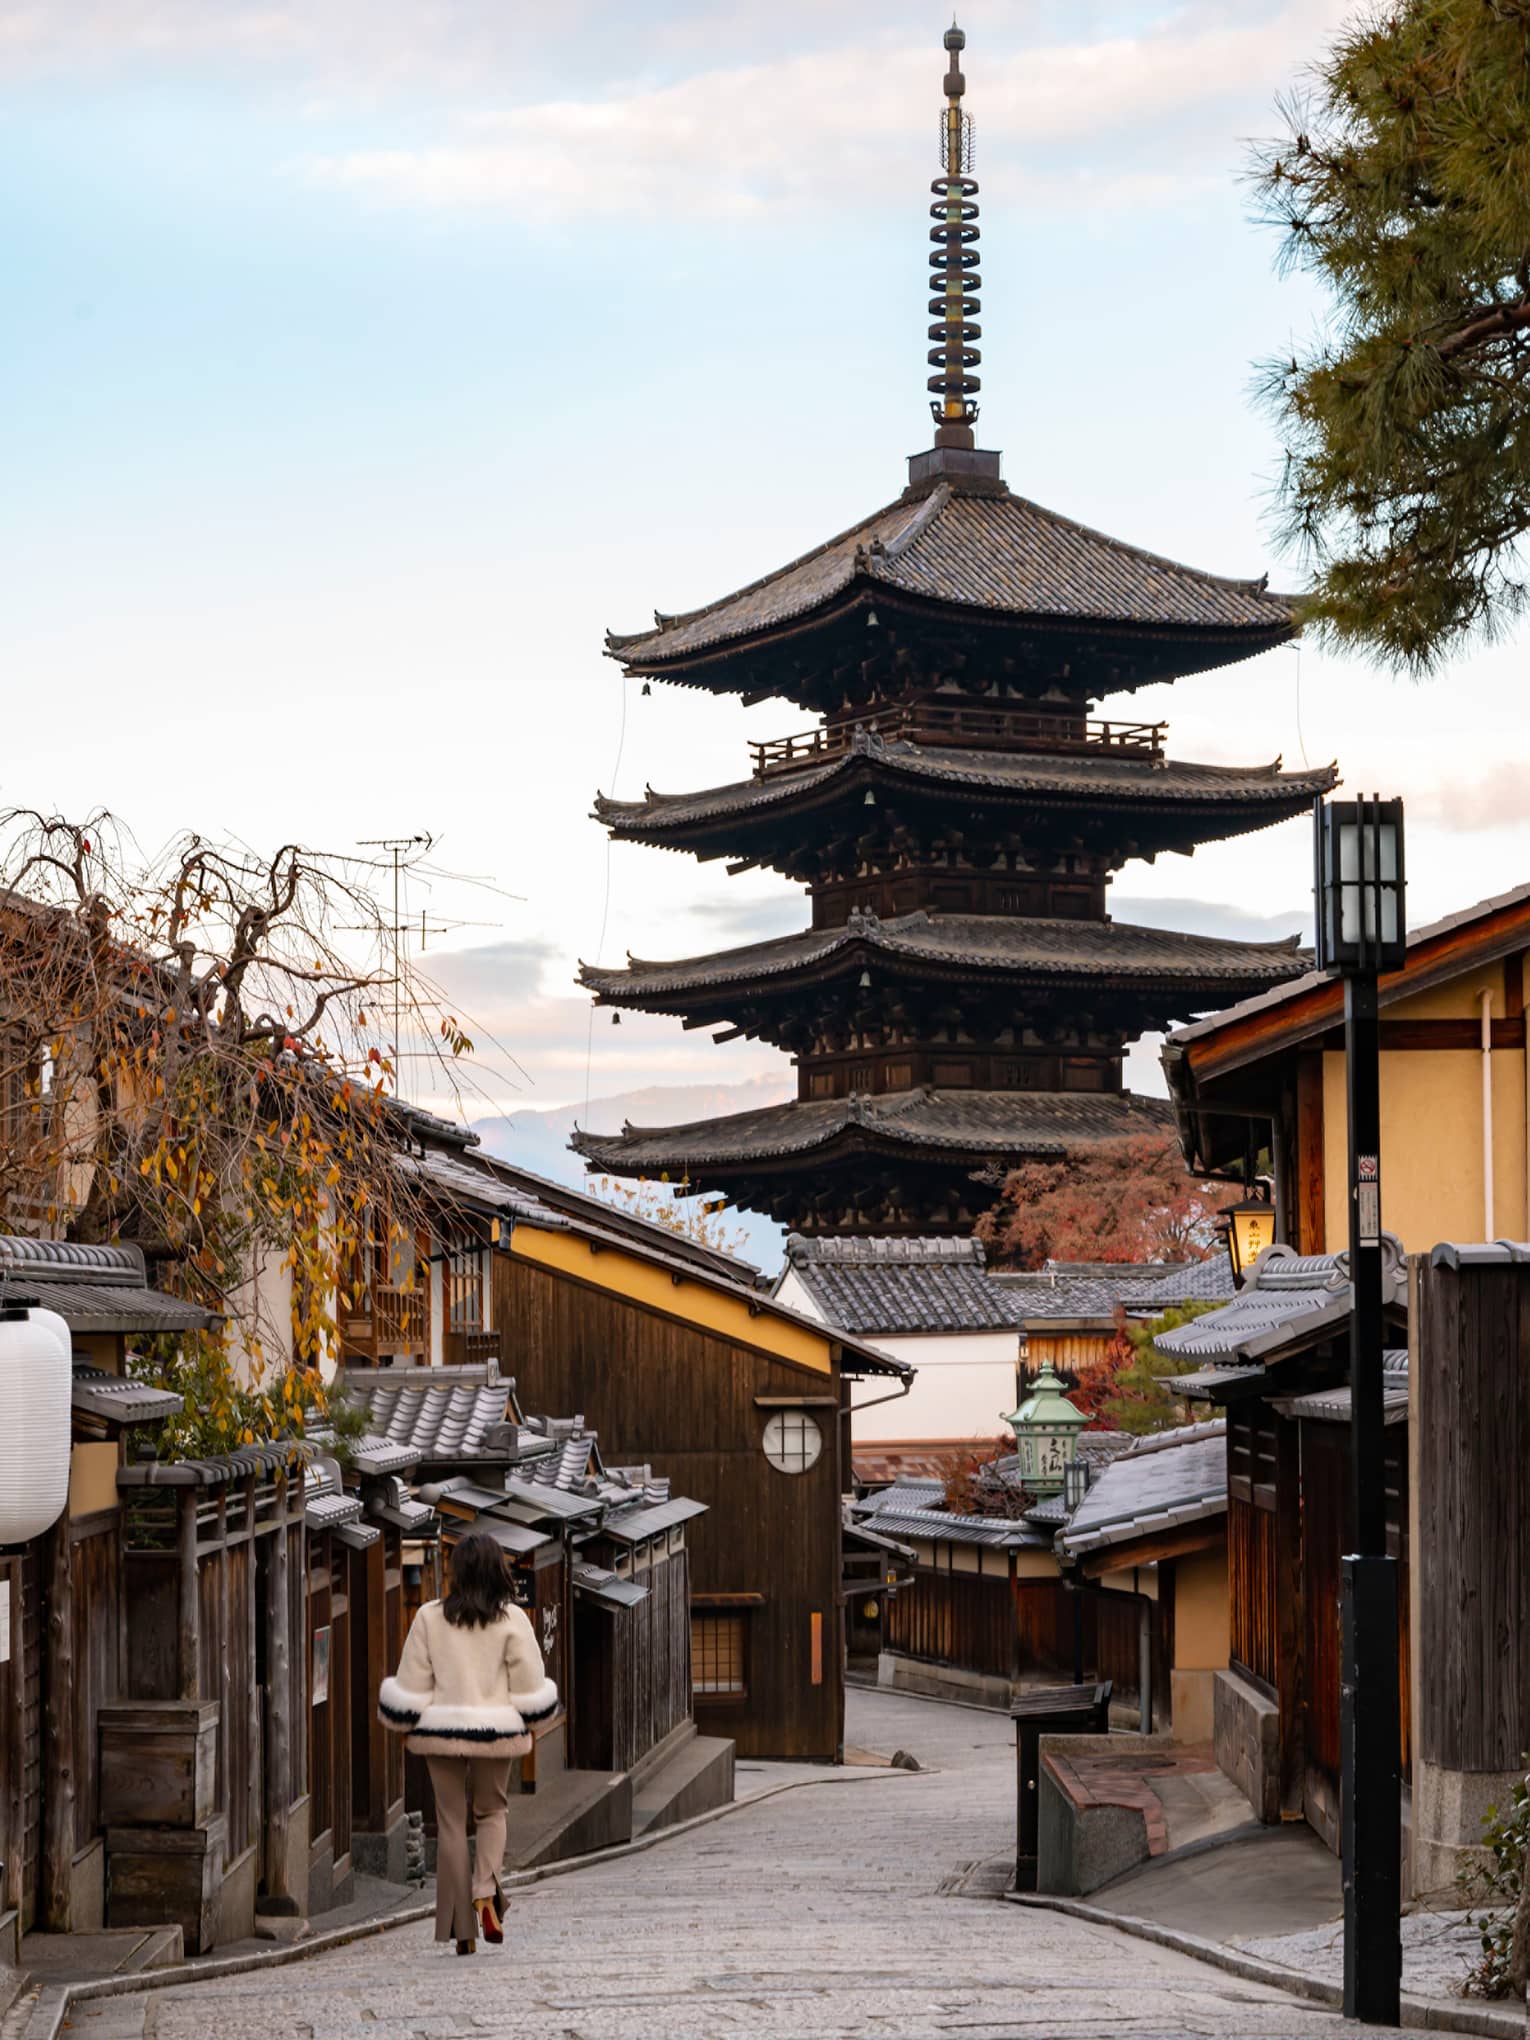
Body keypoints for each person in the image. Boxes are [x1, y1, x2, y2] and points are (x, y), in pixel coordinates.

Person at [378, 1532, 558, 1954]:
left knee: (452, 1823)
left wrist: (405, 1722)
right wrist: (530, 1722)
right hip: (496, 1732)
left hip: (440, 1732)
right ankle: (484, 1892)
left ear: (457, 1572)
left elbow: (412, 1682)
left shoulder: (428, 1617)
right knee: (493, 1811)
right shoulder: (513, 1620)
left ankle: (462, 1929)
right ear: (499, 1570)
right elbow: (530, 1685)